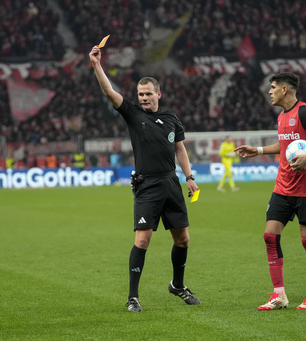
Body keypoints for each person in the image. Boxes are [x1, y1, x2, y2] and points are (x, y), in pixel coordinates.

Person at [89, 45, 201, 312]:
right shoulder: (132, 114)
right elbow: (108, 91)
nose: (143, 98)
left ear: (158, 94)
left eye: (148, 94)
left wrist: (189, 177)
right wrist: (96, 65)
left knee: (183, 239)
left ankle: (177, 285)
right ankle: (133, 297)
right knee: (142, 240)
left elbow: (180, 148)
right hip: (147, 185)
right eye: (140, 94)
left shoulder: (171, 118)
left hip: (171, 183)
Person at [234, 72, 306, 310]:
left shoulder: (305, 112)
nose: (269, 91)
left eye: (272, 87)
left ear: (284, 90)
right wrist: (258, 150)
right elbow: (284, 145)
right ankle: (279, 295)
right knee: (270, 236)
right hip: (282, 187)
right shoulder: (282, 116)